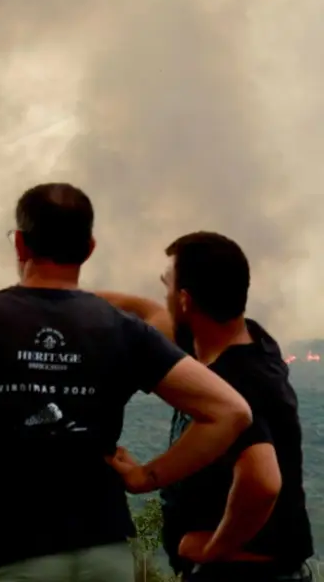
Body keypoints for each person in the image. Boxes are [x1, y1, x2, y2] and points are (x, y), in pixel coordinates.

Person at [0, 183, 253, 582]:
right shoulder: (120, 329)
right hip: (107, 557)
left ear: (20, 245)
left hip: (12, 556)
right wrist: (148, 477)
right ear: (89, 247)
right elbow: (229, 411)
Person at [97, 231, 314, 580]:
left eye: (167, 284)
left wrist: (215, 548)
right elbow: (149, 312)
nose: (161, 294)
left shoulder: (240, 381)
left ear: (185, 300)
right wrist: (66, 300)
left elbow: (263, 481)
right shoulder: (242, 339)